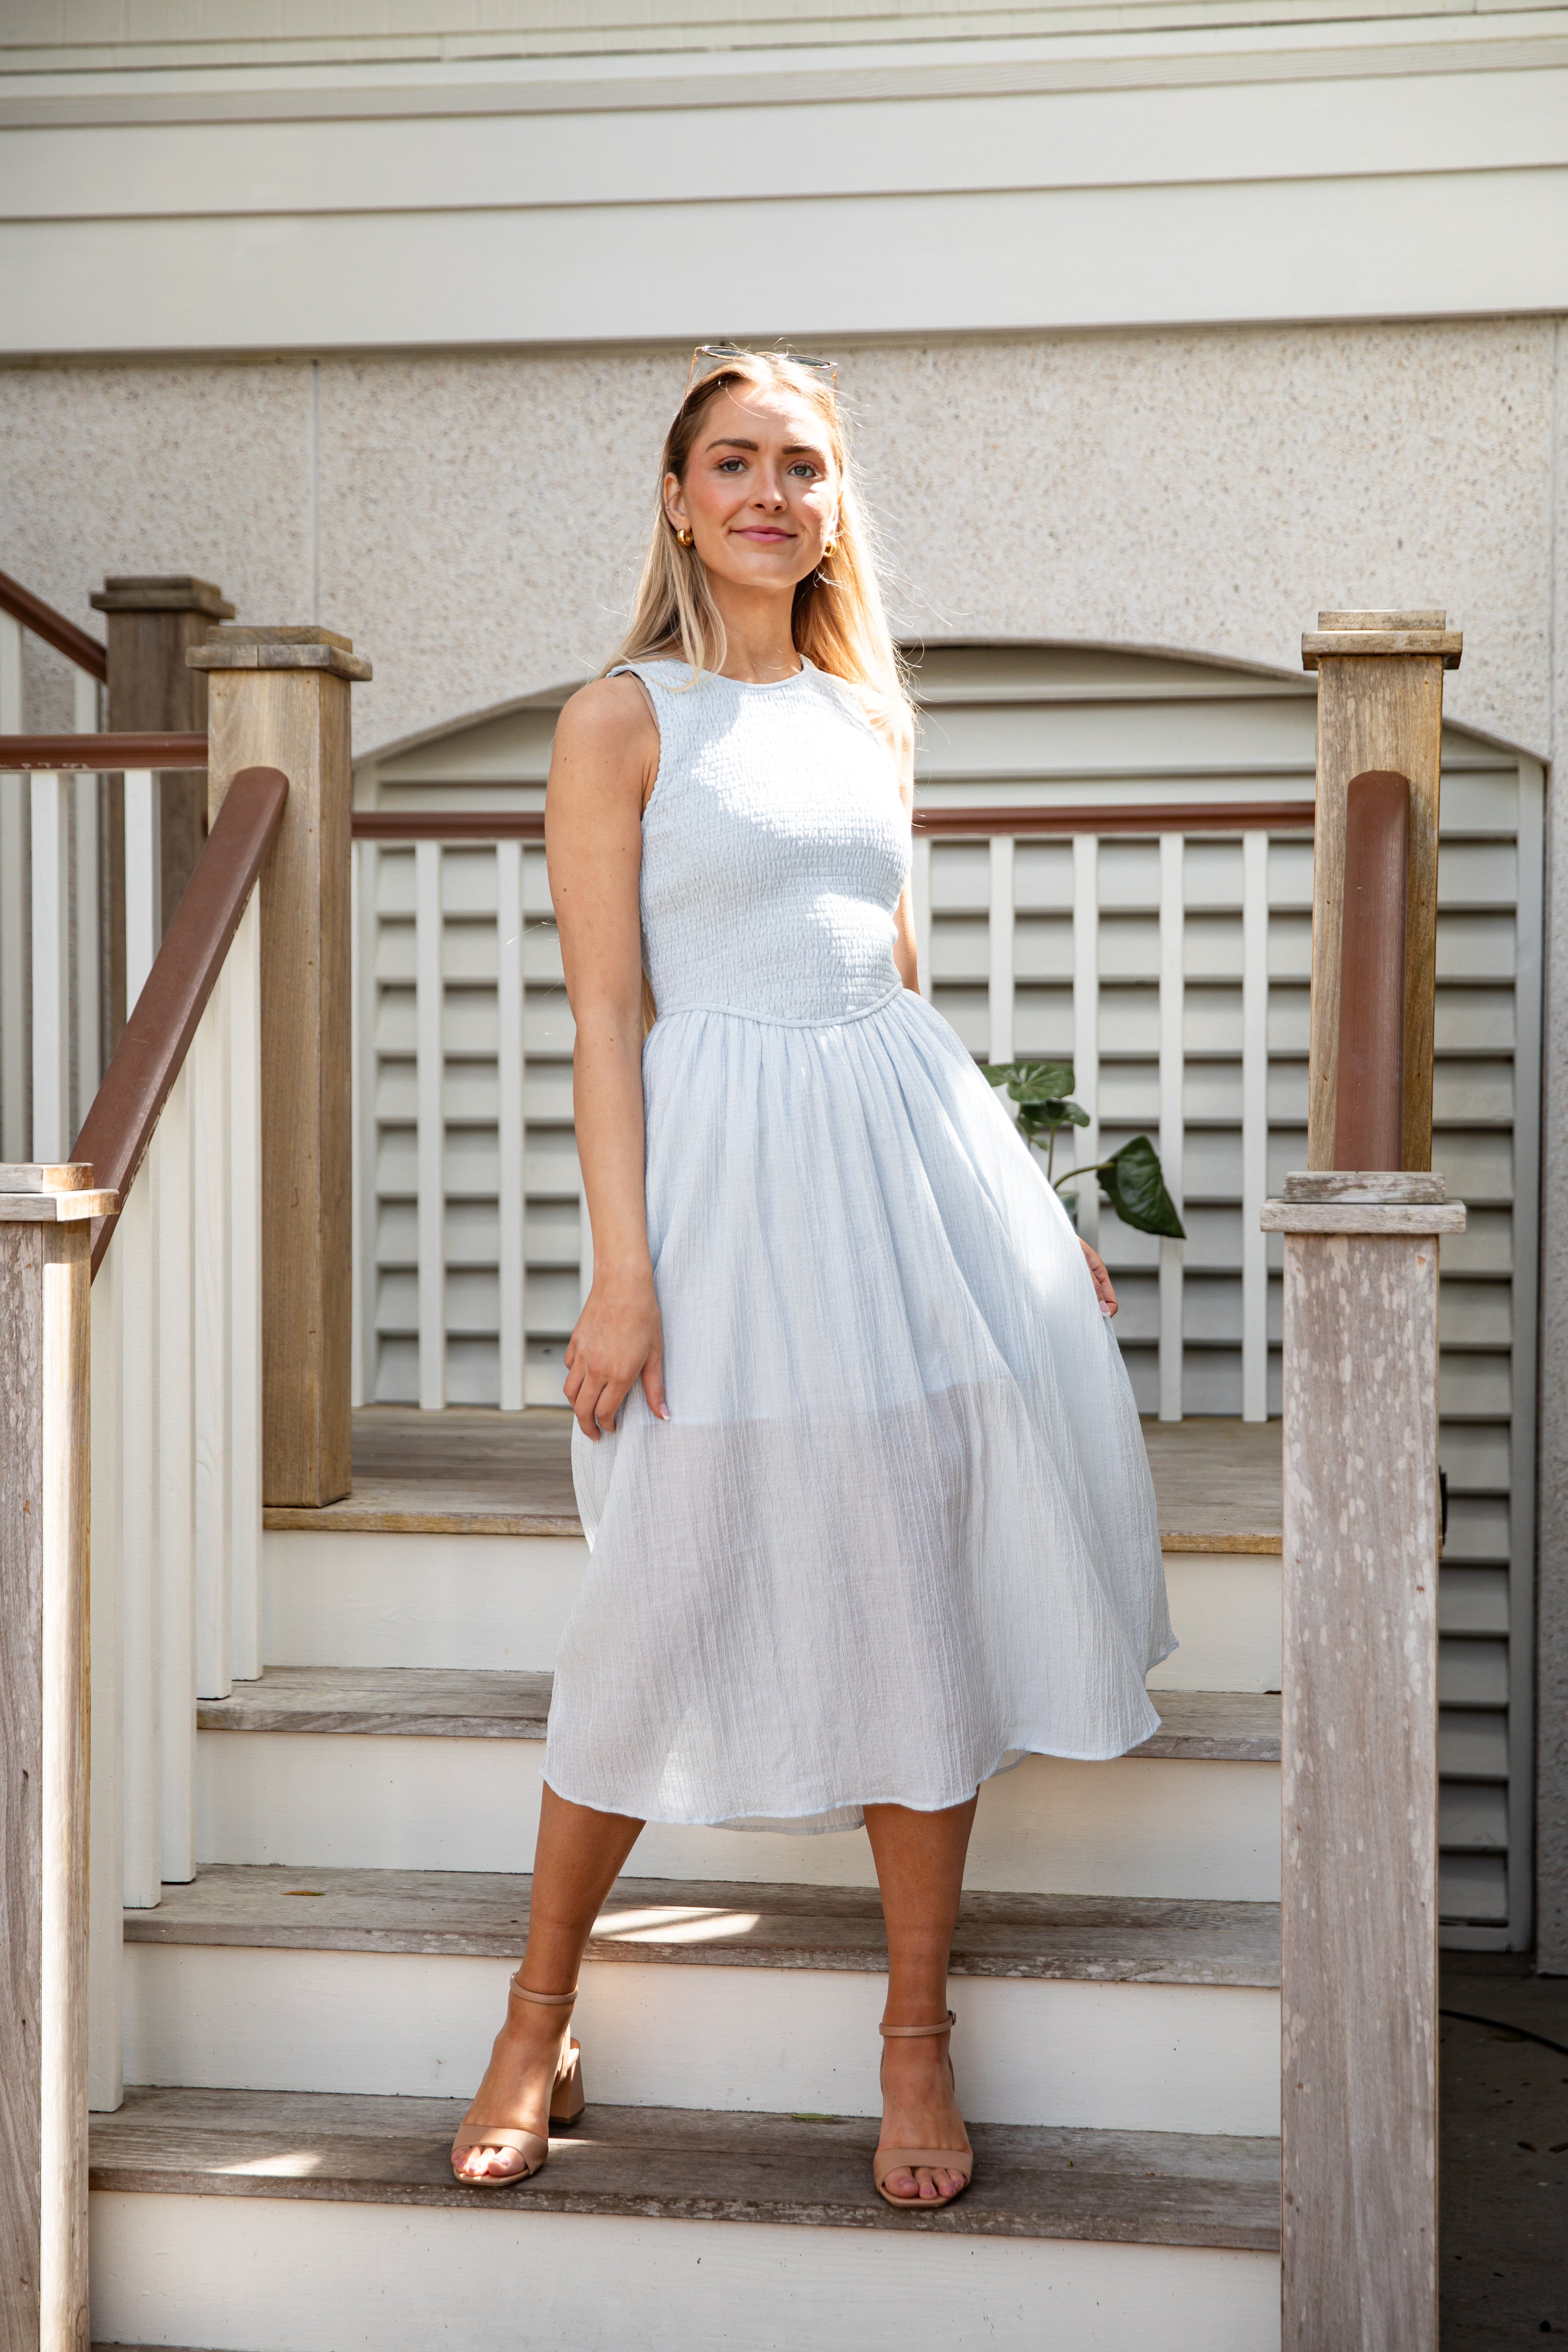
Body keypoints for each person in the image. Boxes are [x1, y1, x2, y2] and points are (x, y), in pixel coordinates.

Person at [451, 347, 1173, 2208]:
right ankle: (536, 2014)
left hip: (898, 1167)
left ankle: (911, 2033)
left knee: (922, 1559)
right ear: (680, 497)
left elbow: (898, 983)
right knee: (664, 1587)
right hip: (718, 1183)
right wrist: (624, 1272)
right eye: (733, 462)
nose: (772, 492)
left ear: (834, 504)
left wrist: (1019, 1203)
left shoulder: (870, 719)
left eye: (803, 465)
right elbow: (608, 1016)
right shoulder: (624, 719)